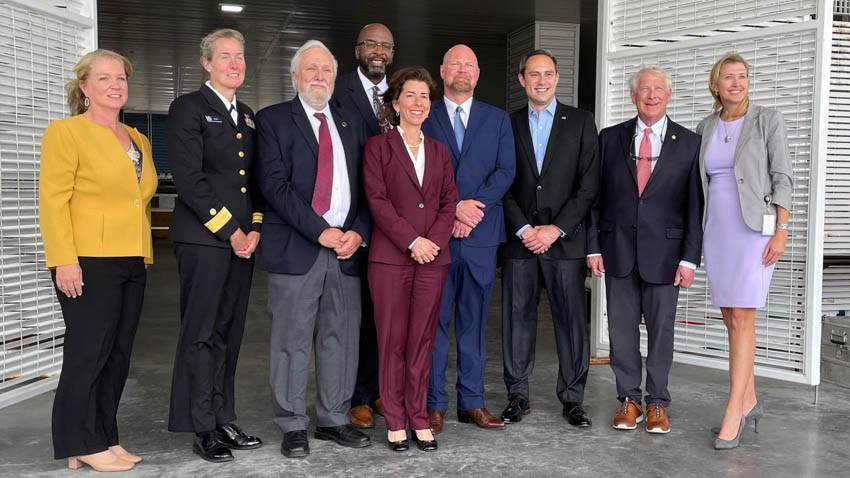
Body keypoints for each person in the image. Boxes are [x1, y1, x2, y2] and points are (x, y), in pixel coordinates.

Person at [39, 49, 157, 472]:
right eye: (105, 78)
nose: (115, 85)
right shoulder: (65, 132)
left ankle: (104, 436)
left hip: (131, 260)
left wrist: (144, 254)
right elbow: (52, 202)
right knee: (88, 353)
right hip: (87, 260)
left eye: (121, 78)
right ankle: (79, 440)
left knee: (118, 354)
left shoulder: (137, 139)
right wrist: (63, 260)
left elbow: (137, 203)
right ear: (85, 87)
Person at [254, 40, 372, 459]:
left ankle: (333, 418)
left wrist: (357, 231)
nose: (319, 76)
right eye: (311, 69)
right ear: (295, 76)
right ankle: (292, 424)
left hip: (346, 249)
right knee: (291, 340)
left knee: (341, 339)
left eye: (326, 69)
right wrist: (320, 230)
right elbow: (274, 186)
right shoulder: (272, 121)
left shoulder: (351, 123)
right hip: (297, 248)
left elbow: (369, 187)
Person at [587, 65, 702, 435]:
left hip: (666, 255)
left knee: (661, 330)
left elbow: (696, 206)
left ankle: (657, 402)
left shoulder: (689, 143)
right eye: (644, 90)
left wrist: (689, 258)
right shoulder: (609, 138)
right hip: (616, 248)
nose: (651, 95)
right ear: (632, 96)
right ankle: (629, 400)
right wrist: (593, 247)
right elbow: (595, 199)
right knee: (621, 330)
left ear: (668, 95)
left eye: (658, 89)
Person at [166, 29, 264, 463]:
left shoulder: (246, 114)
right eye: (225, 56)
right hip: (204, 240)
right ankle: (201, 426)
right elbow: (190, 181)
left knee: (229, 332)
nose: (234, 64)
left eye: (239, 57)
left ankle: (224, 416)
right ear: (207, 63)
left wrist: (255, 228)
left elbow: (254, 182)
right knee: (201, 334)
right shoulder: (188, 108)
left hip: (242, 243)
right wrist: (232, 231)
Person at [696, 53, 792, 449]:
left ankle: (733, 410)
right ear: (715, 85)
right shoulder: (705, 126)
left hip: (753, 231)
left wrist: (782, 230)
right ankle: (749, 398)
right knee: (729, 318)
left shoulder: (767, 120)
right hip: (715, 231)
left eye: (742, 76)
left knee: (742, 317)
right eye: (728, 77)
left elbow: (782, 175)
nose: (736, 83)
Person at [500, 50, 599, 428]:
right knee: (516, 319)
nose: (541, 80)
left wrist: (555, 229)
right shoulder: (505, 124)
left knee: (572, 322)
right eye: (534, 74)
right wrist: (525, 229)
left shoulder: (580, 122)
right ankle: (517, 396)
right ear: (522, 79)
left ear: (557, 78)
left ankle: (573, 399)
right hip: (520, 242)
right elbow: (500, 184)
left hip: (565, 242)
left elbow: (589, 186)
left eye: (549, 74)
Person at [363, 66, 458, 452]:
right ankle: (396, 420)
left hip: (433, 259)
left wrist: (431, 243)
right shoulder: (377, 147)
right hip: (391, 259)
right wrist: (412, 241)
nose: (418, 103)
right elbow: (378, 202)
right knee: (391, 342)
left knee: (422, 341)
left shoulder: (439, 150)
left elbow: (449, 201)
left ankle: (420, 418)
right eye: (411, 96)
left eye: (424, 97)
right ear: (395, 103)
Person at [422, 44, 516, 433]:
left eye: (469, 65)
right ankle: (433, 404)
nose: (462, 70)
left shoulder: (497, 119)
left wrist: (471, 208)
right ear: (442, 71)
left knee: (474, 323)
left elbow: (505, 170)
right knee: (434, 321)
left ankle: (472, 402)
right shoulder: (422, 114)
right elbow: (418, 170)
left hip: (480, 234)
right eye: (455, 63)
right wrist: (453, 208)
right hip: (436, 236)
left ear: (478, 74)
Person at [331, 22, 395, 428]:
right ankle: (353, 396)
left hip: (392, 226)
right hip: (352, 222)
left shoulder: (402, 93)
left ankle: (376, 391)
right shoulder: (335, 92)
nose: (378, 51)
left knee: (381, 317)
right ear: (357, 49)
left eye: (386, 46)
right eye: (371, 43)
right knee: (349, 319)